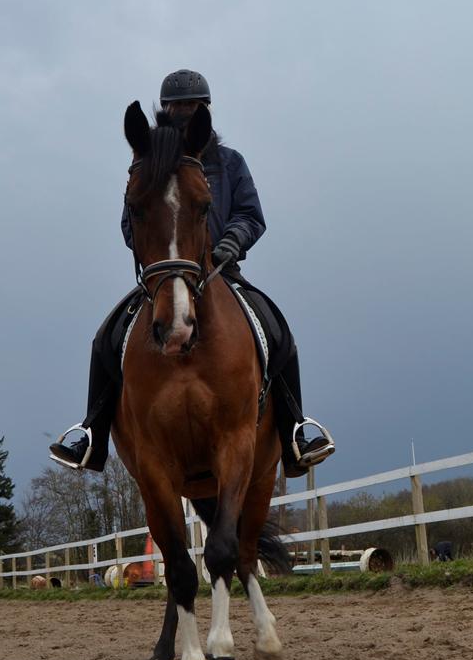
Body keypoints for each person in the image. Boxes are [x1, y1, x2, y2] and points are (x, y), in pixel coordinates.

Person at [50, 69, 333, 479]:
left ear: (204, 110)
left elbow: (251, 215)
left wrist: (230, 243)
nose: (183, 111)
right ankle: (91, 433)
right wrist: (158, 257)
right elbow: (132, 223)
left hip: (221, 271)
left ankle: (296, 430)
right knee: (103, 340)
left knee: (278, 330)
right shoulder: (146, 165)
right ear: (165, 110)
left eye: (191, 105)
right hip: (163, 276)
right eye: (176, 105)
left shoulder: (231, 163)